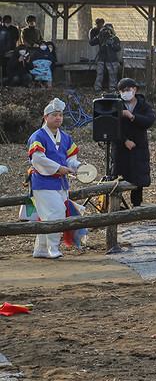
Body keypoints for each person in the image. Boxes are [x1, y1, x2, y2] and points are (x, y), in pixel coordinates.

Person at [26, 98, 84, 259]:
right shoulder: (37, 136)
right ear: (46, 117)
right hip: (43, 181)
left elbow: (71, 159)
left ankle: (41, 249)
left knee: (49, 215)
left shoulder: (65, 137)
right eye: (54, 115)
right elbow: (37, 159)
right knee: (55, 213)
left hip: (60, 182)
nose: (58, 118)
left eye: (60, 115)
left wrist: (78, 166)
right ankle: (53, 248)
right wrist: (59, 168)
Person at [112, 78, 155, 207]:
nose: (125, 93)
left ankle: (137, 204)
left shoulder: (143, 104)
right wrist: (124, 140)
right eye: (122, 91)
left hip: (138, 145)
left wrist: (133, 117)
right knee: (118, 176)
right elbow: (111, 126)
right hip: (121, 146)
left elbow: (149, 120)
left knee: (138, 175)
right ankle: (116, 205)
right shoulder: (115, 104)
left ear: (134, 90)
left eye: (128, 90)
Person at [91, 22, 122, 92]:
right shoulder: (101, 37)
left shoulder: (115, 39)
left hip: (112, 59)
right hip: (102, 59)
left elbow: (118, 48)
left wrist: (111, 44)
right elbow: (91, 43)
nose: (107, 32)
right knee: (99, 74)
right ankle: (97, 88)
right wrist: (97, 35)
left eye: (108, 30)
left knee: (113, 74)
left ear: (111, 31)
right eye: (105, 30)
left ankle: (112, 89)